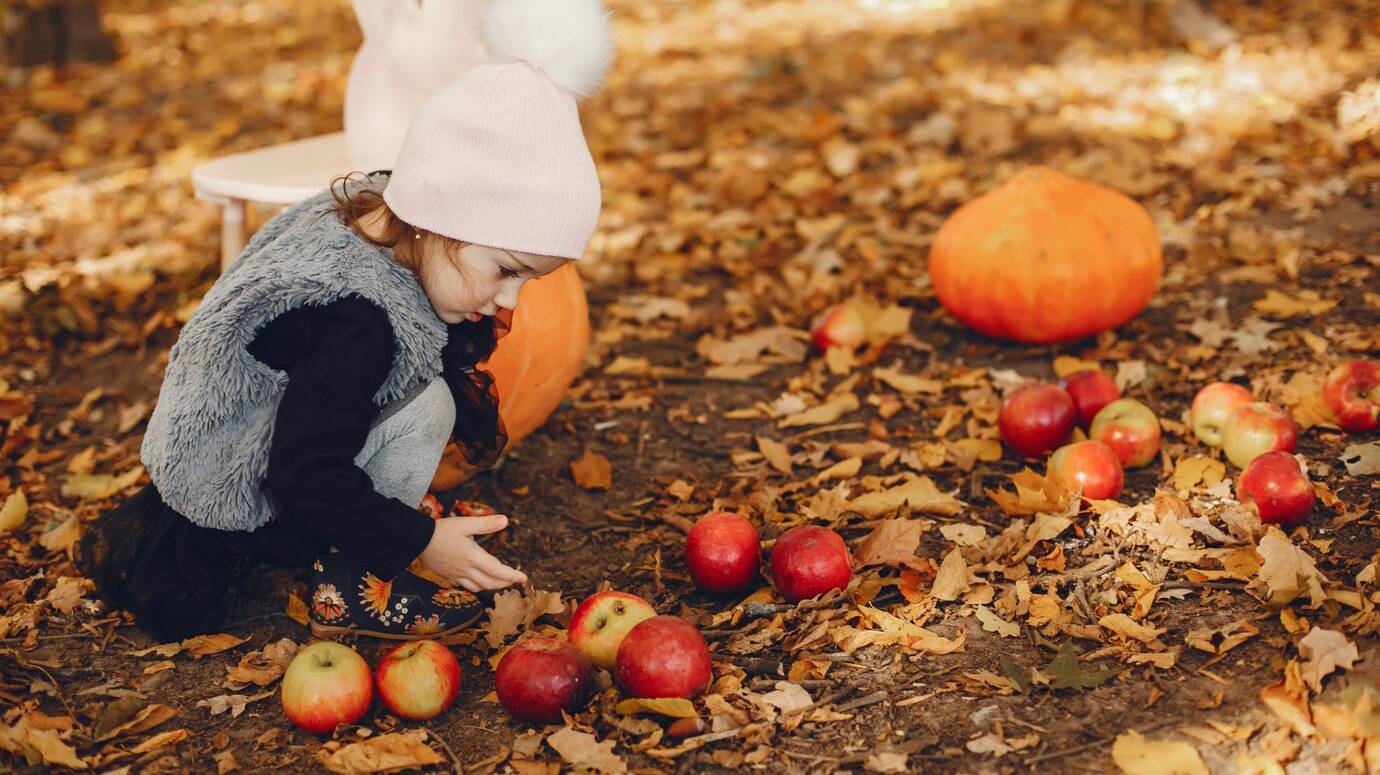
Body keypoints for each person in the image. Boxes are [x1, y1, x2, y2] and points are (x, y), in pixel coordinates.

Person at [77, 0, 615, 642]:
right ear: (444, 215)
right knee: (428, 406)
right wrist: (417, 541)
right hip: (241, 478)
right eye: (506, 269)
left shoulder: (377, 212)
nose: (511, 303)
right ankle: (348, 576)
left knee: (421, 394)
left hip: (262, 436)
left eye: (530, 280)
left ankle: (368, 521)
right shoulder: (358, 324)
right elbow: (301, 473)